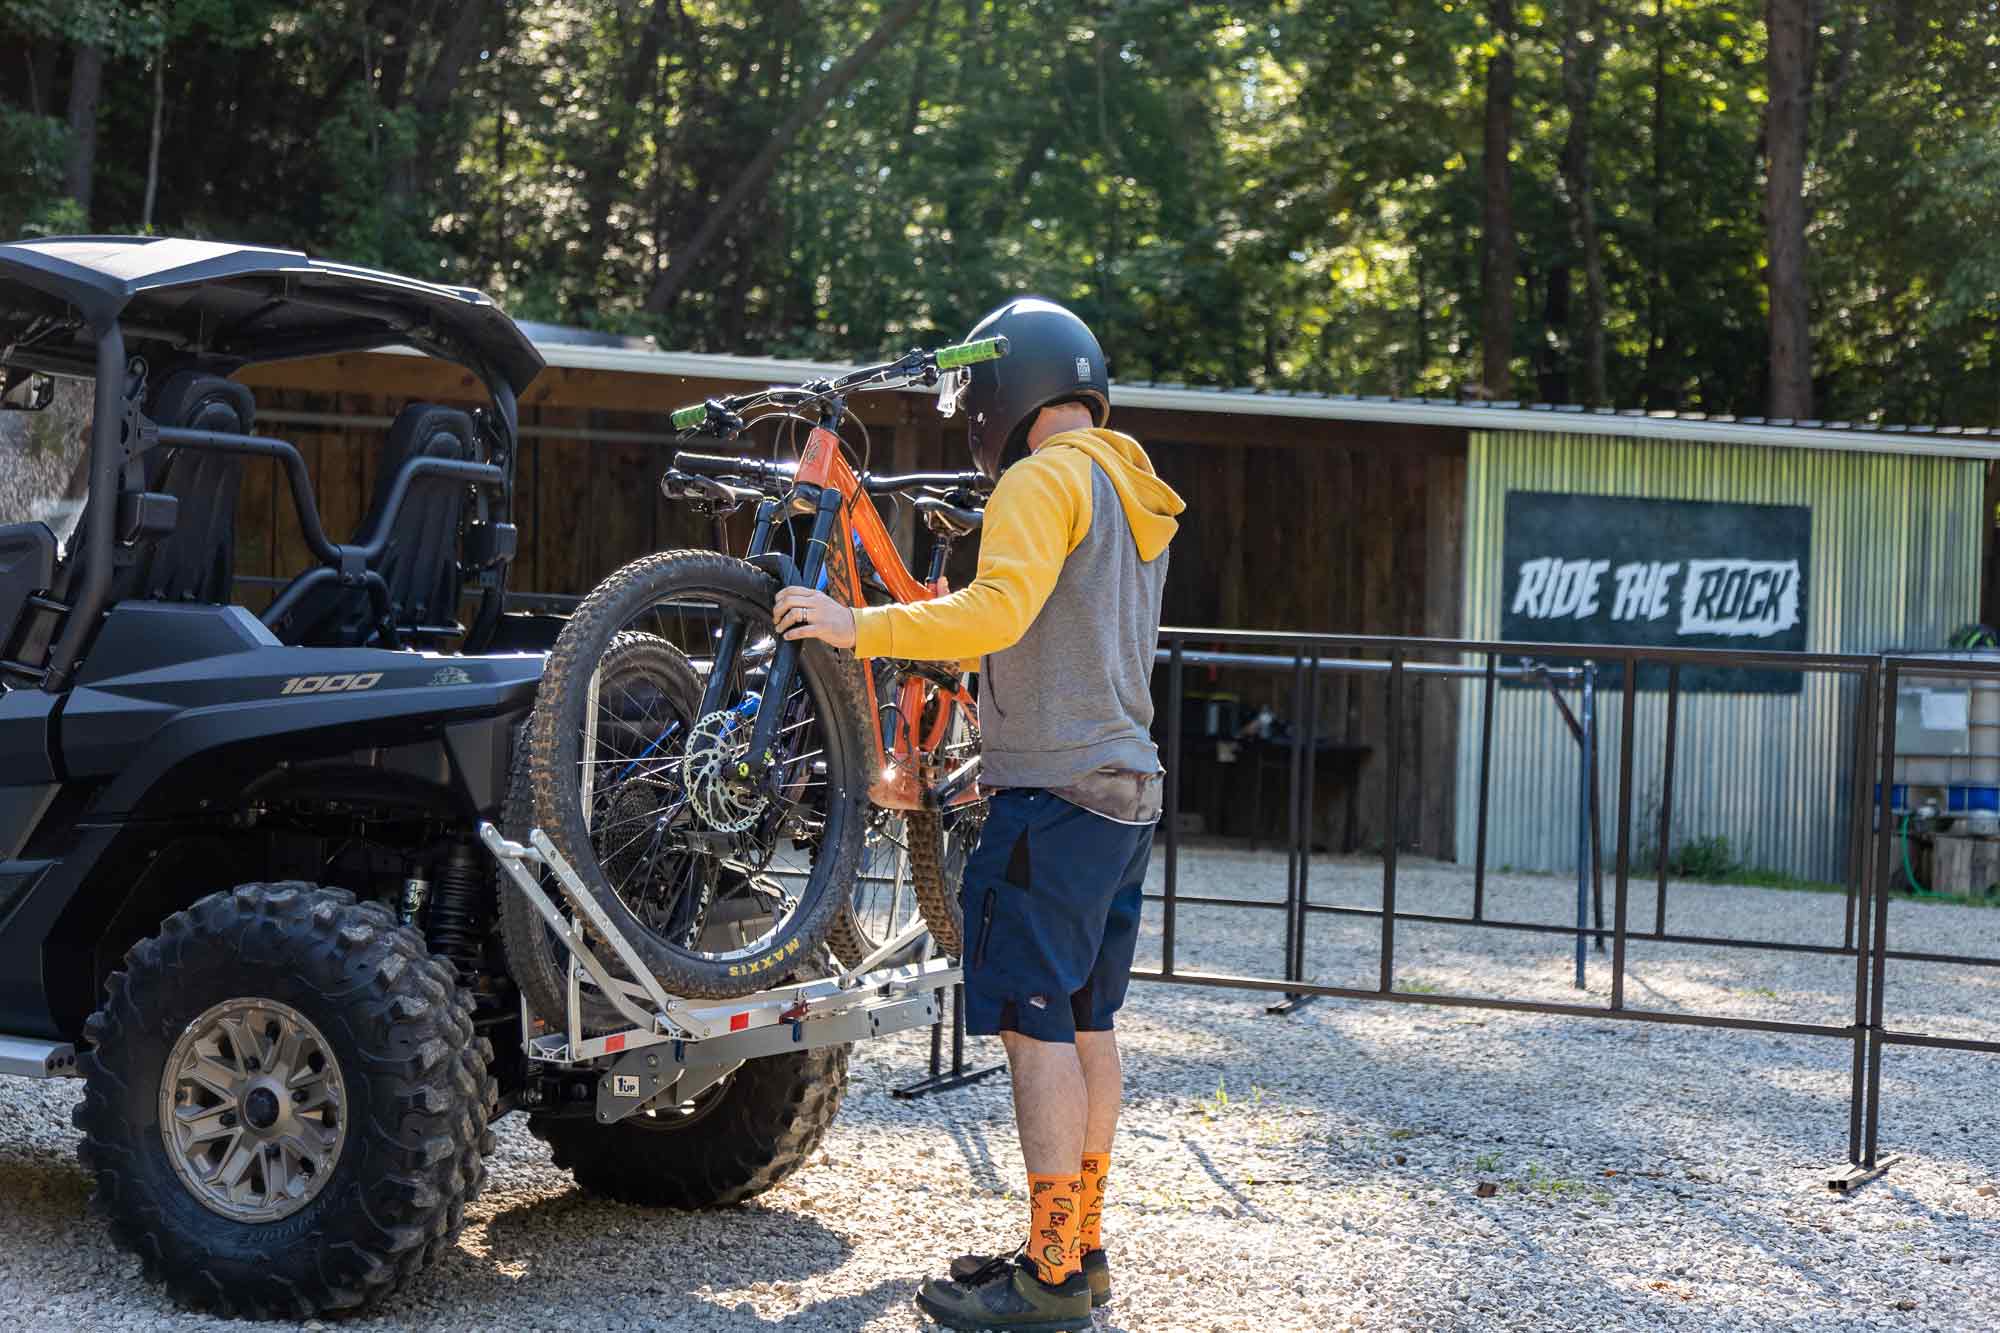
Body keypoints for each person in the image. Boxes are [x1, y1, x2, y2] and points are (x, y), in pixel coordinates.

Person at [775, 296, 1184, 1332]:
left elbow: (996, 611)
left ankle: (1046, 1280)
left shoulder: (1042, 480)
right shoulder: (1127, 487)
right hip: (1121, 797)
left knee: (1032, 1028)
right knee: (1087, 1021)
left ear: (1005, 389)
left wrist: (852, 621)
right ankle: (1075, 1247)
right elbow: (1030, 631)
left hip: (1051, 796)